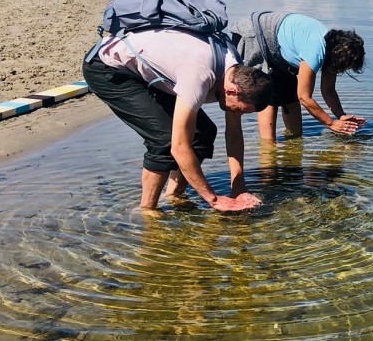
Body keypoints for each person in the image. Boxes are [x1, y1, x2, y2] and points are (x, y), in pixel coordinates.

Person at [83, 23, 273, 212]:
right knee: (164, 139)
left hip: (151, 70)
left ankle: (173, 195)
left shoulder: (237, 71)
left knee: (204, 134)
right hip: (108, 68)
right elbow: (179, 147)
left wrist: (238, 186)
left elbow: (233, 134)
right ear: (232, 91)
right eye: (239, 110)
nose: (237, 114)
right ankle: (147, 210)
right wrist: (214, 200)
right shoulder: (198, 76)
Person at [230, 11, 366, 142]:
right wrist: (331, 123)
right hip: (254, 34)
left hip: (278, 48)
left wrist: (341, 116)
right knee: (267, 92)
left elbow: (328, 90)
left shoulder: (333, 49)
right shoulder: (315, 51)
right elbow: (305, 97)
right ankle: (268, 148)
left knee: (290, 94)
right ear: (339, 59)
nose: (342, 71)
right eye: (344, 67)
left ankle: (294, 141)